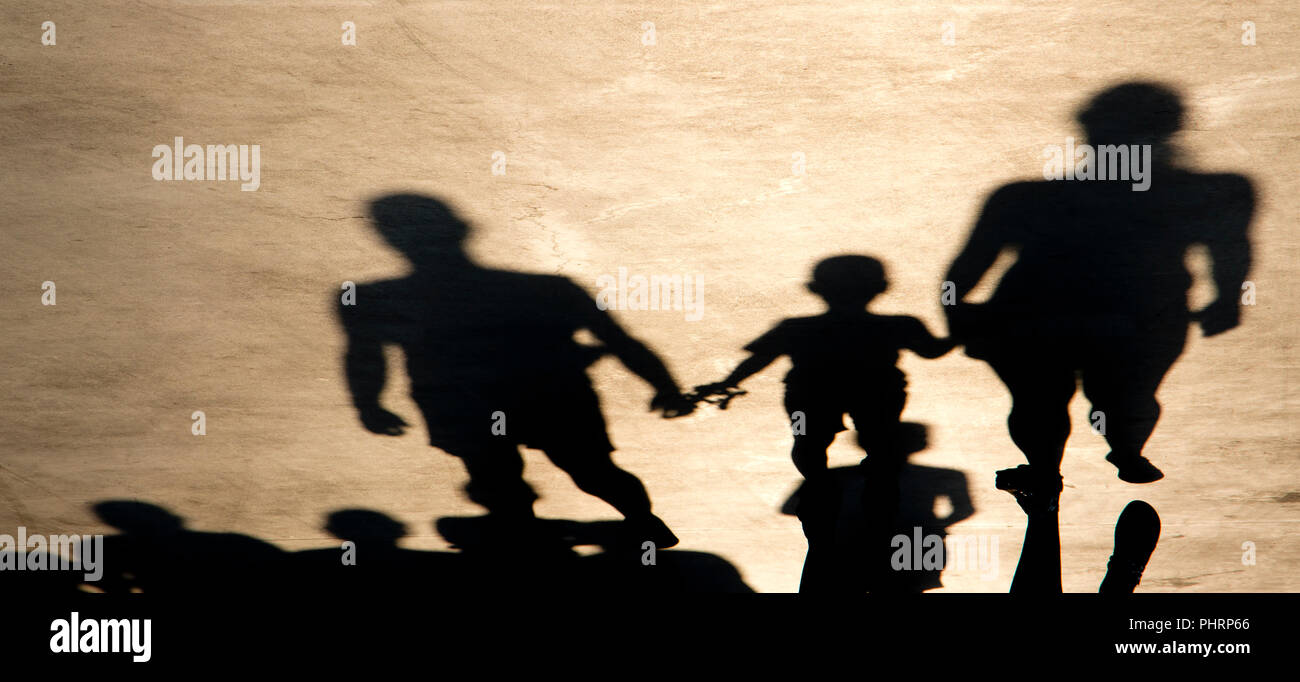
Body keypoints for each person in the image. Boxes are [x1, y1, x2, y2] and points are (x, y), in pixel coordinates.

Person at [944, 82, 1254, 500]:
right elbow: (1229, 248)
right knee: (1107, 398)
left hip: (1045, 316)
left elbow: (965, 270)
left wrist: (956, 314)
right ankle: (1110, 454)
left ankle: (1054, 467)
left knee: (1050, 400)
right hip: (1127, 316)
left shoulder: (1022, 199)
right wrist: (1227, 299)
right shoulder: (1210, 193)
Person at [339, 194, 694, 547]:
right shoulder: (549, 290)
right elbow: (620, 342)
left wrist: (368, 404)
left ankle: (524, 536)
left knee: (498, 475)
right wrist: (665, 386)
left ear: (387, 239)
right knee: (592, 472)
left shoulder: (374, 298)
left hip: (462, 402)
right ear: (464, 230)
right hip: (552, 395)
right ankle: (640, 522)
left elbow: (365, 355)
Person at [698, 255, 954, 590]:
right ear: (881, 288)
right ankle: (871, 502)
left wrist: (727, 384)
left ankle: (821, 494)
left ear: (814, 289)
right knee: (877, 447)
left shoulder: (797, 328)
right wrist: (969, 325)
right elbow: (933, 350)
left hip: (811, 391)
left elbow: (759, 357)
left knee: (810, 443)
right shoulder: (899, 325)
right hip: (874, 389)